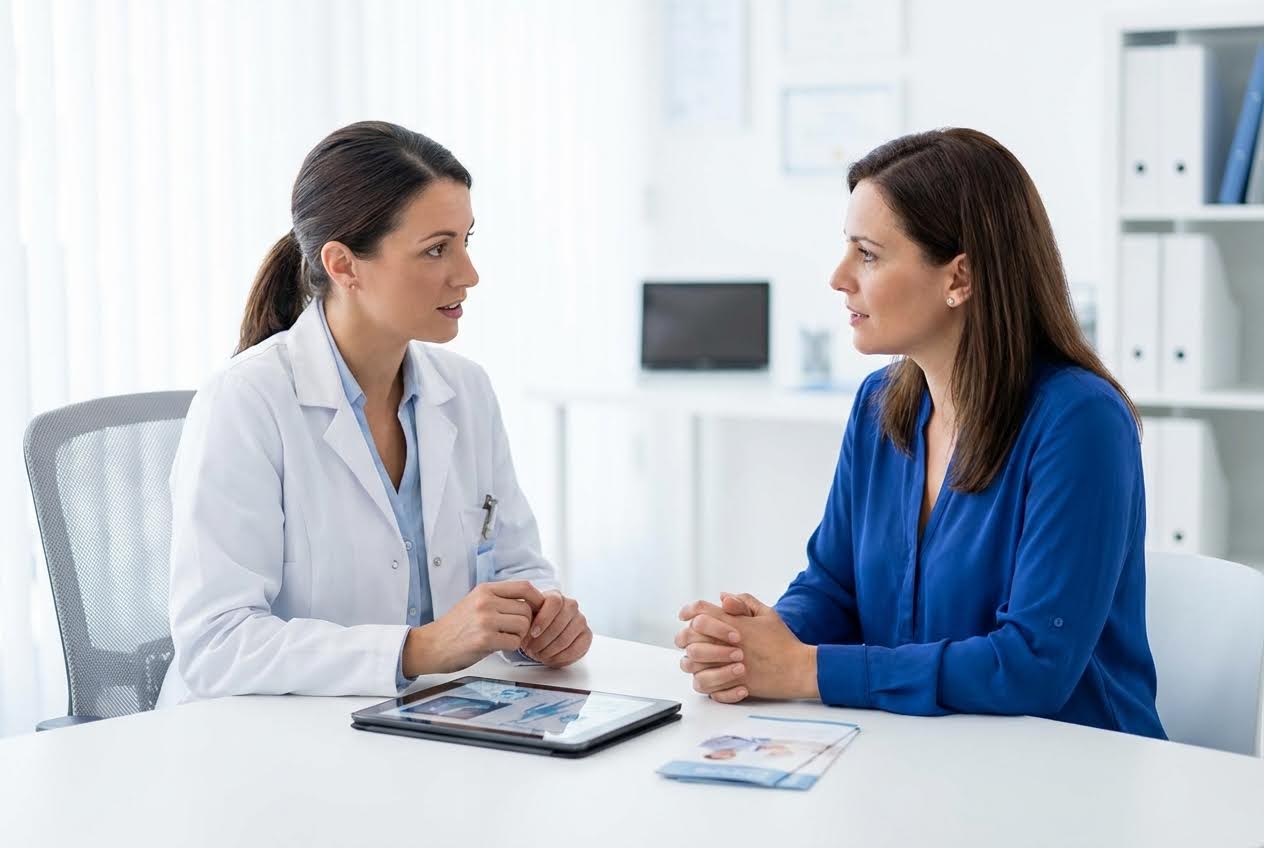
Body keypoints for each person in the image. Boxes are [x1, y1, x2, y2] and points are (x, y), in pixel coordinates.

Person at [675, 128, 1166, 739]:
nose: (838, 277)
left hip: (1072, 772)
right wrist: (755, 642)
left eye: (869, 254)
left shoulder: (1080, 421)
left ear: (959, 278)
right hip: (924, 754)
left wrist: (806, 670)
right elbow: (834, 587)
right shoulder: (881, 405)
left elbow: (1032, 666)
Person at [158, 121, 590, 706]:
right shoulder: (247, 402)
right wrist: (416, 649)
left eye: (467, 240)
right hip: (263, 748)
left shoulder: (465, 391)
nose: (468, 273)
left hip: (423, 724)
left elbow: (518, 566)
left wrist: (540, 623)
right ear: (344, 266)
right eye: (437, 249)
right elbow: (216, 643)